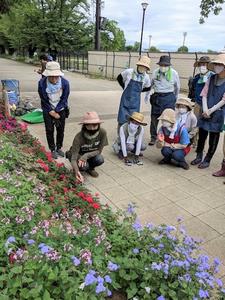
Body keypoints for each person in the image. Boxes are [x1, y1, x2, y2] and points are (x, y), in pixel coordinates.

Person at [191, 54, 225, 169]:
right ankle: (199, 156)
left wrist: (211, 110)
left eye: (220, 64)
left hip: (218, 112)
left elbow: (224, 99)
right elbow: (204, 94)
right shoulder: (211, 78)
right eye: (216, 64)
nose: (217, 66)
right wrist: (205, 109)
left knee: (213, 137)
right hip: (205, 111)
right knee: (202, 135)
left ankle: (207, 159)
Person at [38, 61, 70, 159]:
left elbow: (64, 99)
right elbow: (43, 99)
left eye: (56, 76)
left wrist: (57, 110)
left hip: (60, 108)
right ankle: (52, 149)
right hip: (48, 108)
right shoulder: (42, 83)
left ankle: (59, 147)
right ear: (47, 75)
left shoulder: (65, 83)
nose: (54, 78)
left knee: (60, 129)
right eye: (51, 76)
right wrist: (51, 111)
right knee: (49, 129)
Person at [66, 112, 108, 183]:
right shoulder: (78, 137)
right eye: (88, 125)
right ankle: (77, 168)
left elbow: (99, 151)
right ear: (84, 126)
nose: (91, 128)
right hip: (78, 155)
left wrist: (86, 155)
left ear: (98, 124)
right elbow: (74, 158)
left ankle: (91, 169)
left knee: (100, 159)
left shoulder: (103, 133)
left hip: (90, 154)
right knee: (83, 166)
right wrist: (77, 172)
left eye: (94, 125)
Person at [149, 55, 180, 146]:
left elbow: (177, 87)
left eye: (165, 65)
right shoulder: (155, 72)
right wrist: (147, 95)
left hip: (169, 97)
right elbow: (151, 84)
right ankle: (153, 137)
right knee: (154, 118)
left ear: (169, 66)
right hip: (157, 96)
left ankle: (168, 136)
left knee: (169, 119)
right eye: (161, 65)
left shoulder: (174, 73)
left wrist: (175, 98)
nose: (163, 67)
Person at [117, 56, 151, 129]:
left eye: (145, 67)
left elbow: (148, 87)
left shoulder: (146, 77)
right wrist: (124, 87)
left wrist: (140, 91)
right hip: (125, 99)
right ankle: (120, 136)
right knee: (122, 118)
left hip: (135, 102)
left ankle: (131, 135)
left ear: (147, 68)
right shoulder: (129, 71)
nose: (142, 68)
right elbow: (119, 78)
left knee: (134, 120)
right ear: (138, 65)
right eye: (141, 66)